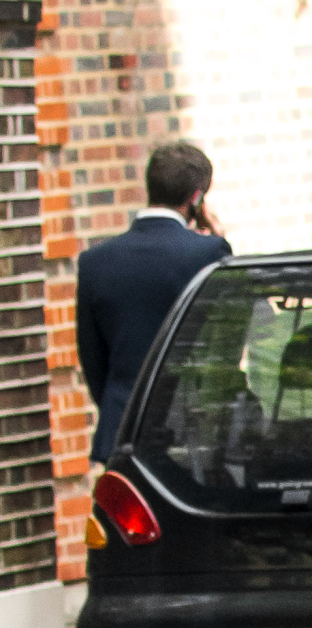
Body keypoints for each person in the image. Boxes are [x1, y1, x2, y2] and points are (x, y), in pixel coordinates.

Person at [76, 141, 230, 456]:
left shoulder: (95, 261)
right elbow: (225, 342)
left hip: (122, 430)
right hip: (189, 432)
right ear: (197, 198)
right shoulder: (209, 252)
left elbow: (92, 359)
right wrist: (218, 241)